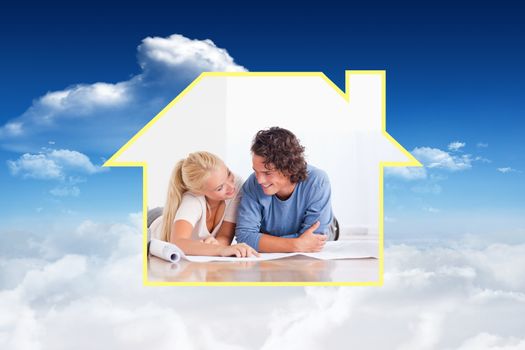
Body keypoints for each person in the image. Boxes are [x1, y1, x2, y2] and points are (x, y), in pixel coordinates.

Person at [235, 127, 338, 253]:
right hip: (278, 230)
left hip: (326, 229)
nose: (259, 180)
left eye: (267, 173)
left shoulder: (317, 180)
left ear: (288, 168)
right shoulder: (253, 183)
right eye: (256, 171)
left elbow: (314, 239)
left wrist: (262, 241)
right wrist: (296, 245)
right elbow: (244, 237)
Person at [149, 151, 258, 257]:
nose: (231, 186)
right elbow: (178, 243)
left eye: (228, 174)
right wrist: (220, 249)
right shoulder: (192, 199)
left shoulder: (236, 184)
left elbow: (225, 237)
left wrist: (216, 246)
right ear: (199, 192)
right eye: (220, 188)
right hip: (151, 222)